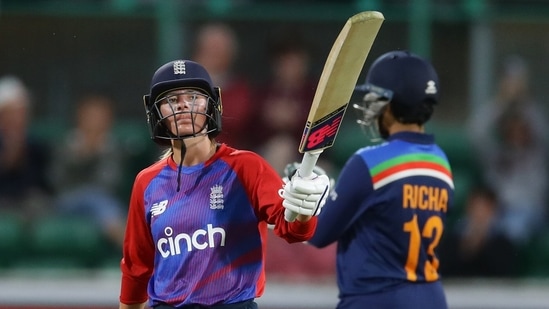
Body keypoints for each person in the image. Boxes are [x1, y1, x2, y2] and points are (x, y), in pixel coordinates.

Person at [118, 59, 330, 309]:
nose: (183, 105)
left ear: (211, 103)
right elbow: (136, 268)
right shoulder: (147, 181)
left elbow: (293, 229)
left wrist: (305, 207)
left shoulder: (246, 167)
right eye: (172, 100)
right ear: (156, 112)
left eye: (194, 97)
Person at [307, 51, 453, 309]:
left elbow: (318, 234)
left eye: (377, 98)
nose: (371, 106)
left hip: (376, 299)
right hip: (431, 297)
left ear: (392, 104)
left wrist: (305, 202)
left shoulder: (369, 162)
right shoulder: (441, 162)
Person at [467, 55, 548, 247]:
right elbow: (475, 132)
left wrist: (523, 100)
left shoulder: (536, 149)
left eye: (520, 126)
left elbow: (543, 131)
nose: (516, 130)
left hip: (528, 209)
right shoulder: (496, 151)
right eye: (511, 126)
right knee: (466, 231)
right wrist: (502, 101)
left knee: (510, 232)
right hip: (496, 210)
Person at [49, 93, 127, 248]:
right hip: (65, 202)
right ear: (80, 118)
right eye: (91, 116)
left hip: (101, 201)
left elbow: (109, 183)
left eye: (101, 117)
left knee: (96, 200)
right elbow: (56, 181)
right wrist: (81, 156)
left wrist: (97, 153)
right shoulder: (66, 145)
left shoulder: (113, 148)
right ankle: (131, 249)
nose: (96, 122)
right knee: (96, 200)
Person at [251, 31, 317, 175]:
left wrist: (297, 119)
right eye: (284, 60)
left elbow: (323, 136)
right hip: (267, 154)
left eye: (294, 60)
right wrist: (270, 118)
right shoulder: (264, 92)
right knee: (280, 148)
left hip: (309, 159)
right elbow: (250, 132)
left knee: (284, 147)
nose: (289, 66)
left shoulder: (314, 93)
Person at [192, 22, 254, 150]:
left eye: (219, 50)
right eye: (210, 48)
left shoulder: (239, 89)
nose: (214, 54)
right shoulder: (183, 84)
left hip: (231, 156)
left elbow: (235, 119)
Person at [0, 75, 53, 221]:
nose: (18, 117)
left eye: (22, 111)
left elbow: (45, 184)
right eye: (12, 112)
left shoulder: (36, 143)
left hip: (30, 203)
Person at [439, 185, 519, 278]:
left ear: (494, 211)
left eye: (485, 209)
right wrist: (466, 248)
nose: (479, 214)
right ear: (468, 208)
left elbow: (503, 275)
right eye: (476, 208)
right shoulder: (452, 240)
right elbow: (446, 272)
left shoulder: (503, 243)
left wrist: (481, 245)